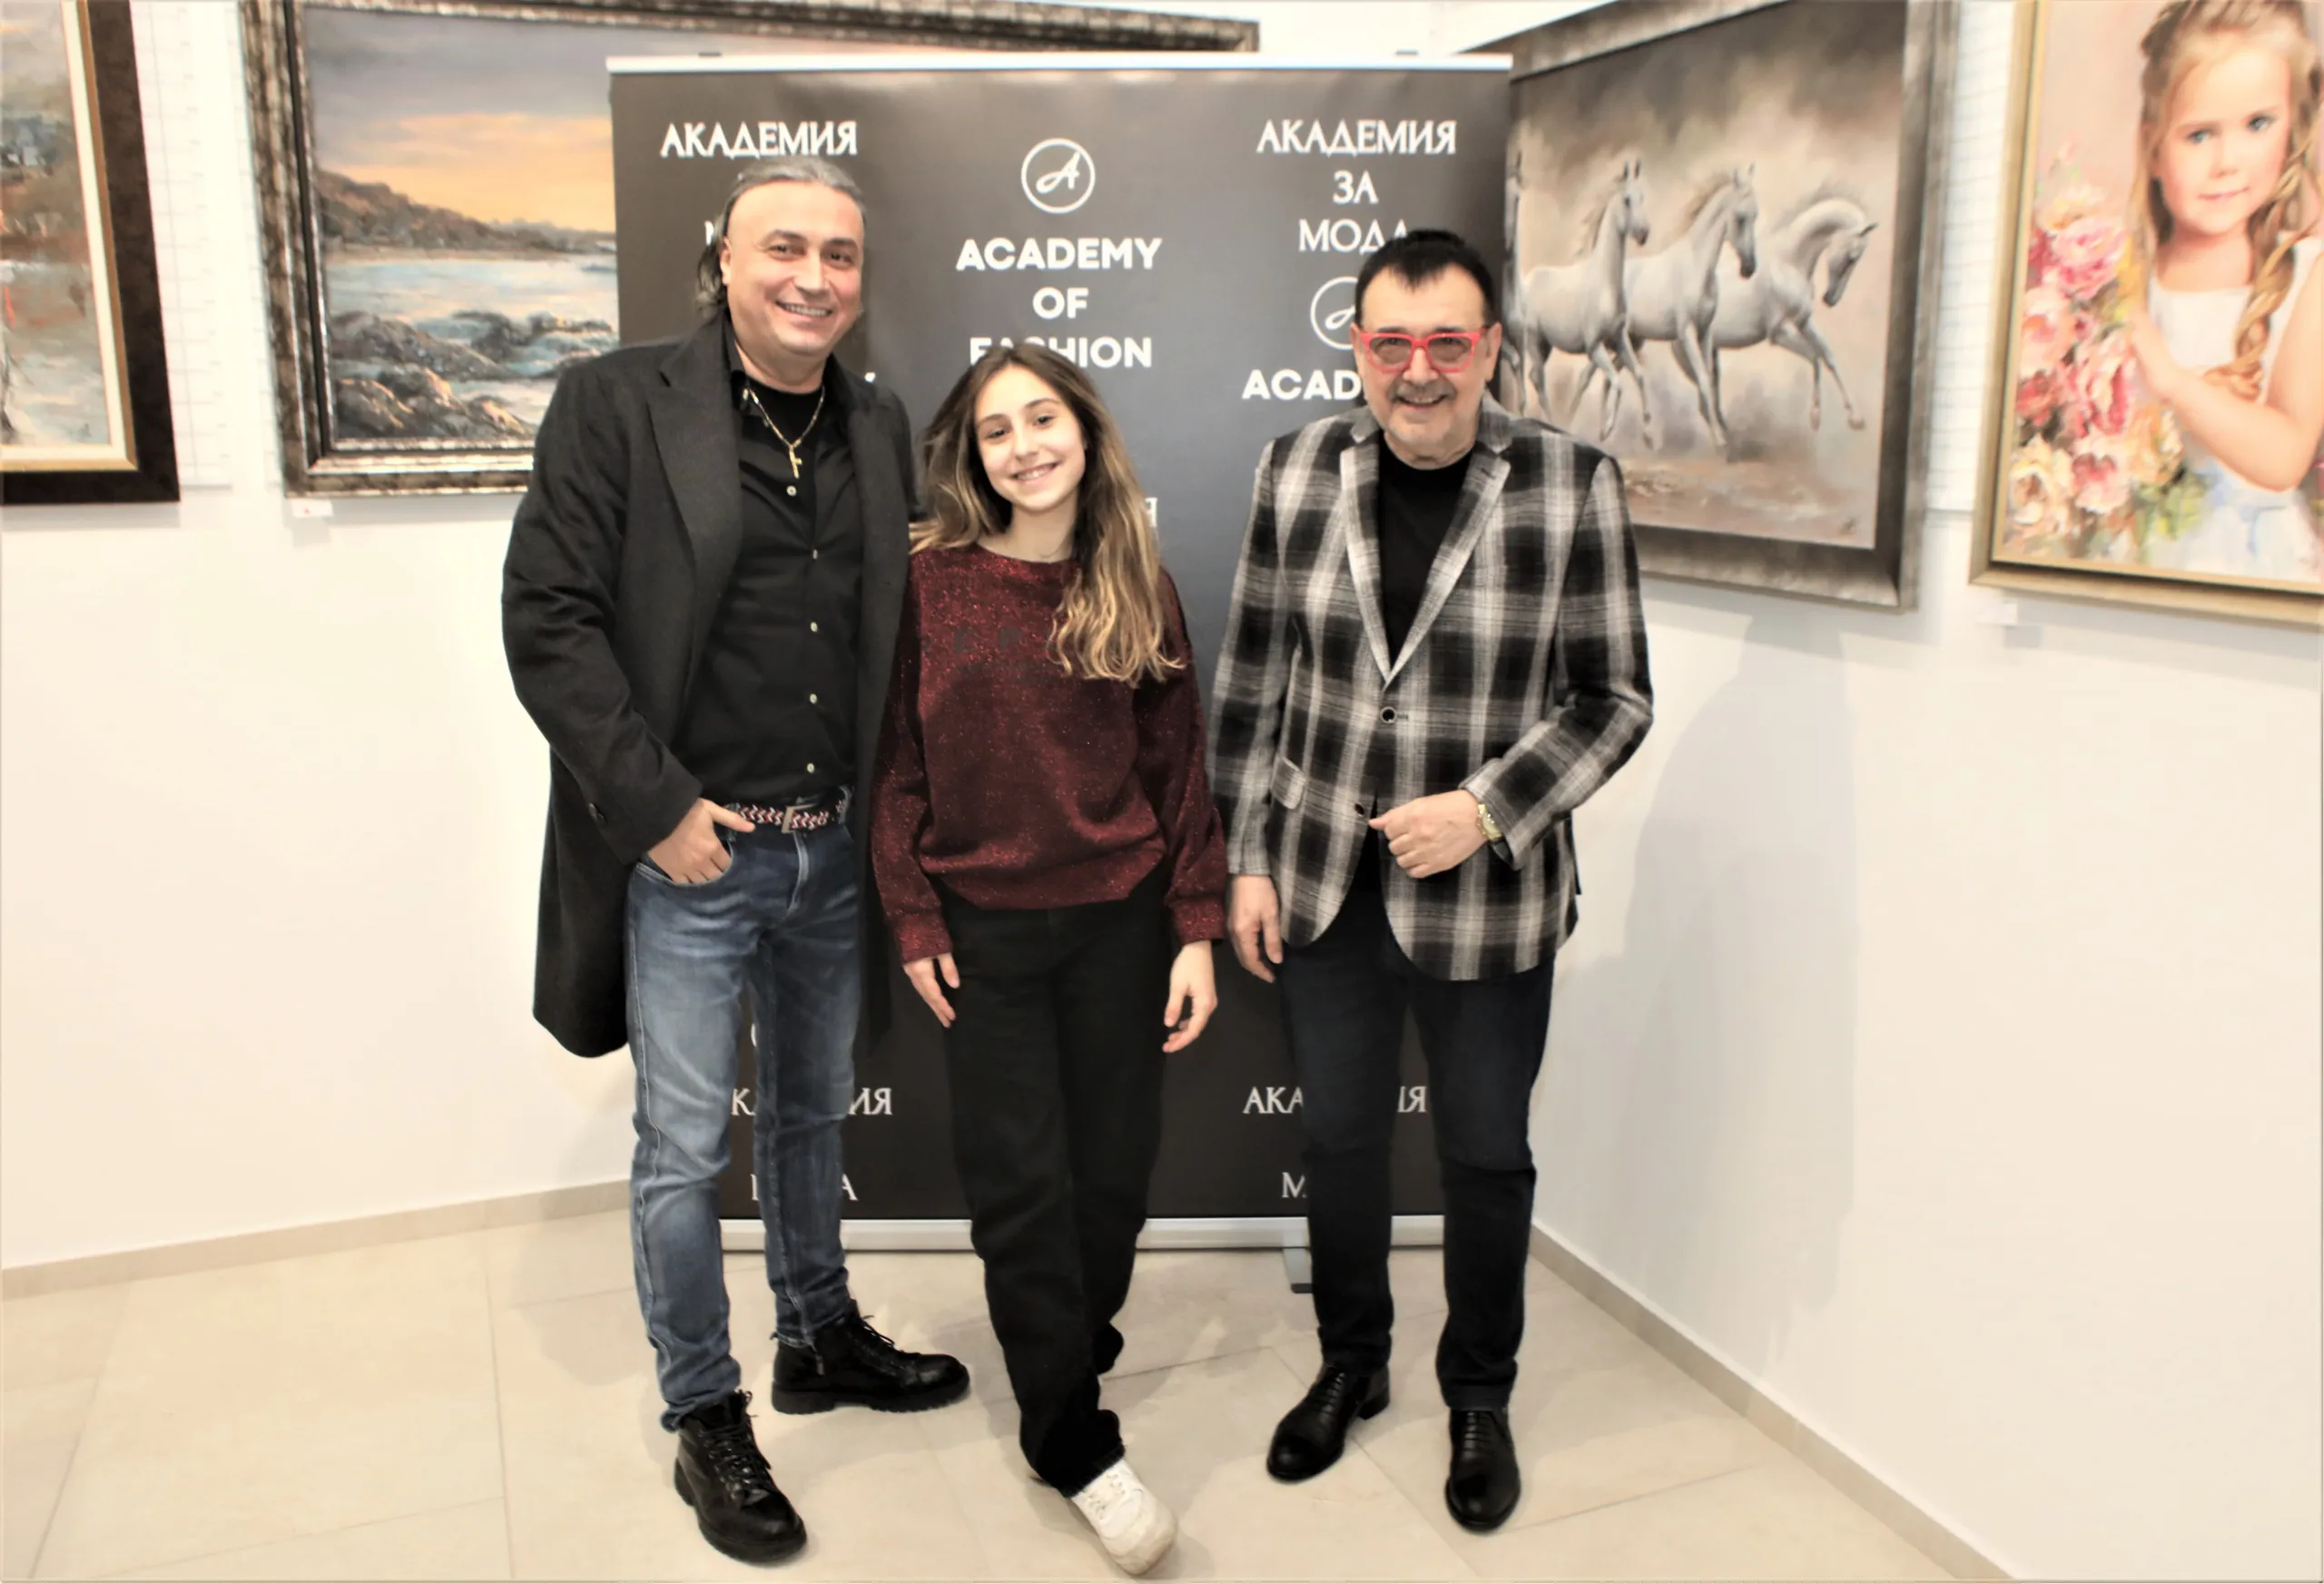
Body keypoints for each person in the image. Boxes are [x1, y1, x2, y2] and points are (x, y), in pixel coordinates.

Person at [502, 156, 967, 1569]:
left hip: (830, 849)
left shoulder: (876, 421)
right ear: (723, 260)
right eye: (784, 248)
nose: (814, 277)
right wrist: (657, 809)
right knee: (685, 1151)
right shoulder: (613, 403)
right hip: (689, 862)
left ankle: (818, 1333)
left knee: (813, 1117)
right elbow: (548, 620)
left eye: (840, 255)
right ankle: (705, 1412)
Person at [1209, 230, 1652, 1533]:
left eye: (1448, 343)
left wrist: (1485, 809)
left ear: (1491, 347)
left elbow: (1614, 698)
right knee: (1339, 1143)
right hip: (1320, 885)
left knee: (1485, 1157)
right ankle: (1351, 1364)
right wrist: (1244, 855)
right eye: (1392, 342)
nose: (1419, 370)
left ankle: (1479, 1394)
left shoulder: (1573, 482)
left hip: (1491, 900)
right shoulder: (1295, 466)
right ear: (1357, 345)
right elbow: (1251, 677)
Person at [871, 344, 1226, 1576]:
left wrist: (1195, 926)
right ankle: (1074, 1441)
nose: (1023, 445)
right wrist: (915, 918)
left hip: (1119, 921)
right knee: (1021, 1183)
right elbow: (895, 768)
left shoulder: (1136, 582)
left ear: (1085, 431)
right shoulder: (928, 582)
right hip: (986, 931)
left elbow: (1179, 769)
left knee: (1113, 1175)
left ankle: (1064, 1348)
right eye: (996, 429)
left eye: (1042, 418)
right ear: (972, 455)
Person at [2123, 0, 2324, 582]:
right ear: (2154, 148)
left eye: (2257, 125)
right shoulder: (2127, 279)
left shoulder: (2309, 273)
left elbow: (2285, 457)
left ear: (2293, 128)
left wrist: (2173, 383)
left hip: (2259, 562)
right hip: (2142, 556)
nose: (2228, 163)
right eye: (2199, 135)